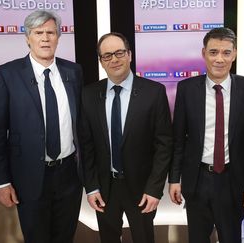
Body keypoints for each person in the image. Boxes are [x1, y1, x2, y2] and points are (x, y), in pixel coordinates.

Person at [0, 10, 83, 243]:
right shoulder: (6, 74)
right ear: (27, 38)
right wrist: (1, 181)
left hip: (69, 175)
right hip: (28, 177)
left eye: (51, 32)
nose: (45, 38)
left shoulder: (74, 71)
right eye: (38, 32)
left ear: (59, 37)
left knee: (65, 237)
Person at [168, 27, 244, 243]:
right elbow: (178, 140)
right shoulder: (186, 89)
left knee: (231, 238)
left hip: (233, 181)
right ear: (204, 54)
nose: (219, 59)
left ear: (235, 54)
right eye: (213, 52)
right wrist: (174, 179)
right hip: (197, 179)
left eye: (226, 52)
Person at [78, 32, 173, 243]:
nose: (114, 59)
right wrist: (91, 187)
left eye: (119, 53)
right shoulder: (88, 95)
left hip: (142, 189)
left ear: (129, 54)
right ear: (101, 61)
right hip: (104, 189)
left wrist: (154, 189)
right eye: (107, 55)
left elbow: (164, 145)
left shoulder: (154, 92)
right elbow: (86, 147)